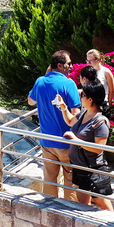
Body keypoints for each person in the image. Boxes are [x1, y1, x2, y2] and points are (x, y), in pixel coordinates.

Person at [28, 50, 80, 201]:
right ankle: (70, 214)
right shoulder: (69, 84)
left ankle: (50, 211)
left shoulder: (40, 81)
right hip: (66, 143)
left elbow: (31, 101)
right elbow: (76, 114)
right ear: (60, 65)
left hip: (46, 142)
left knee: (49, 181)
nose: (71, 66)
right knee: (70, 183)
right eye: (69, 64)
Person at [56, 79, 114, 211]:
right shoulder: (84, 113)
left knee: (102, 204)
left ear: (90, 99)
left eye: (82, 95)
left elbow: (99, 149)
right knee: (83, 205)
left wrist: (75, 140)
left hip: (94, 169)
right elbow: (71, 121)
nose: (80, 97)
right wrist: (63, 107)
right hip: (80, 167)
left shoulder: (101, 121)